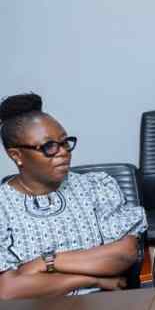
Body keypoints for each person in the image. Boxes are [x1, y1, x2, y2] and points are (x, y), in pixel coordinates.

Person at [0, 93, 146, 299]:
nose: (63, 152)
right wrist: (93, 280)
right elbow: (7, 290)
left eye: (64, 142)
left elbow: (124, 254)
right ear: (16, 155)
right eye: (49, 146)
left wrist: (46, 262)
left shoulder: (95, 187)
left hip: (104, 306)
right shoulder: (3, 208)